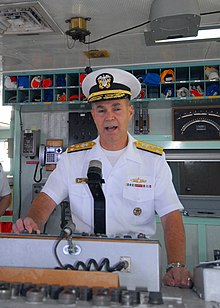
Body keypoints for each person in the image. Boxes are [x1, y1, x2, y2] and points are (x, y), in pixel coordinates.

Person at [13, 68, 192, 288]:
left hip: (136, 264)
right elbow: (46, 200)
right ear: (93, 115)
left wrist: (175, 264)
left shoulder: (153, 160)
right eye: (101, 110)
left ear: (130, 112)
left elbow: (170, 216)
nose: (109, 117)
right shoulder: (73, 158)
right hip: (82, 263)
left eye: (117, 108)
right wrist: (33, 222)